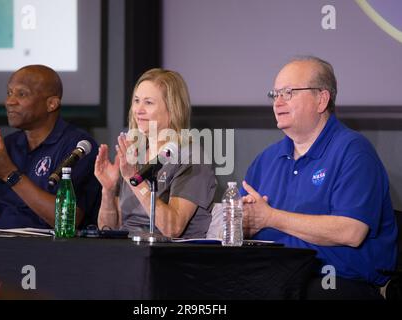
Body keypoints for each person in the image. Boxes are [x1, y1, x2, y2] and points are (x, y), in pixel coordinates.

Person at [241, 56, 398, 299]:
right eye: (275, 94)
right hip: (272, 278)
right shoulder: (266, 160)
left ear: (321, 99)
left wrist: (271, 217)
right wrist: (242, 223)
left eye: (289, 92)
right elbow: (239, 223)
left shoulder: (353, 151)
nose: (278, 102)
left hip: (334, 281)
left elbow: (351, 232)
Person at [0, 65, 100, 229]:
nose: (9, 102)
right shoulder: (8, 146)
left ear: (51, 104)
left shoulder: (78, 147)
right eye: (9, 93)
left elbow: (67, 220)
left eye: (21, 94)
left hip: (48, 252)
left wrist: (9, 174)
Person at [95, 68, 216, 238]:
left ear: (173, 110)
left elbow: (172, 228)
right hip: (126, 250)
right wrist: (107, 190)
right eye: (136, 101)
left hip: (167, 256)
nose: (138, 109)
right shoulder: (133, 155)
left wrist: (135, 180)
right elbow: (109, 227)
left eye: (148, 102)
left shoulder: (192, 157)